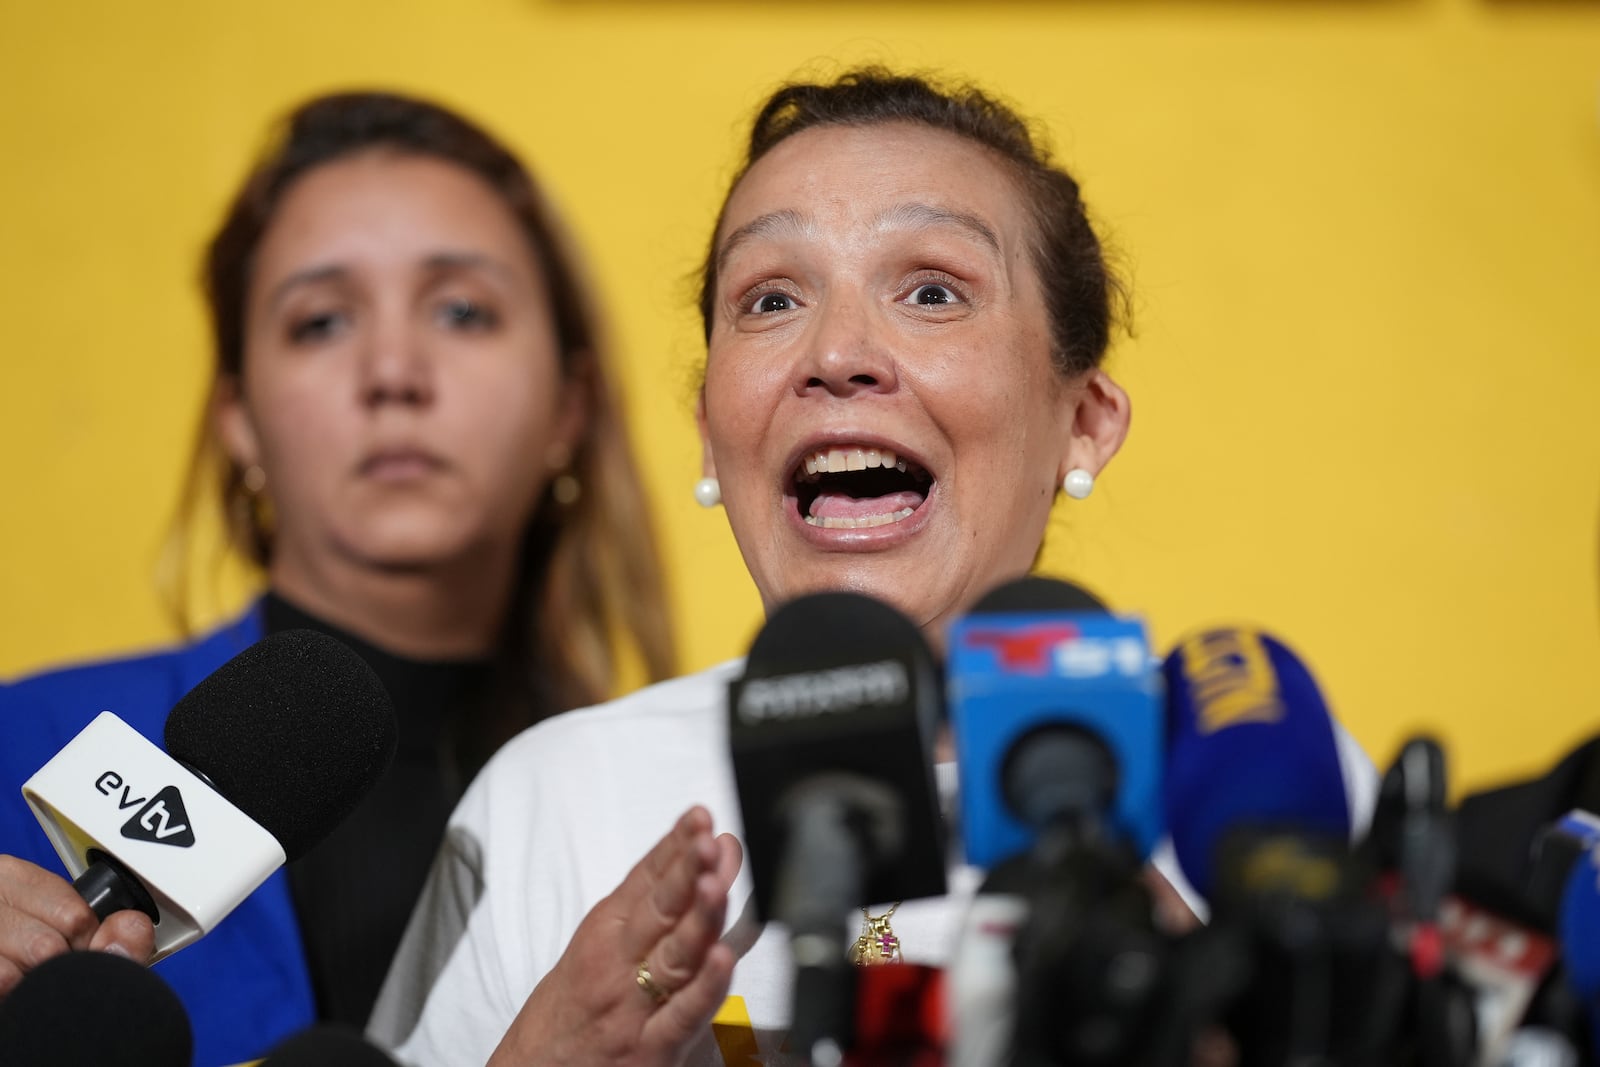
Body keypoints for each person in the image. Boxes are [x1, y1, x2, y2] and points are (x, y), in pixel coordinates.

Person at [367, 68, 1380, 1067]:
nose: (838, 351)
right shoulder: (559, 799)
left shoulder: (1255, 795)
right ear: (711, 440)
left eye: (932, 290)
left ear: (1081, 421)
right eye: (769, 299)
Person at [0, 91, 675, 1066]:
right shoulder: (20, 751)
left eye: (460, 310)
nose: (394, 369)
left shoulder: (658, 810)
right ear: (239, 418)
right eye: (320, 322)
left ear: (569, 408)